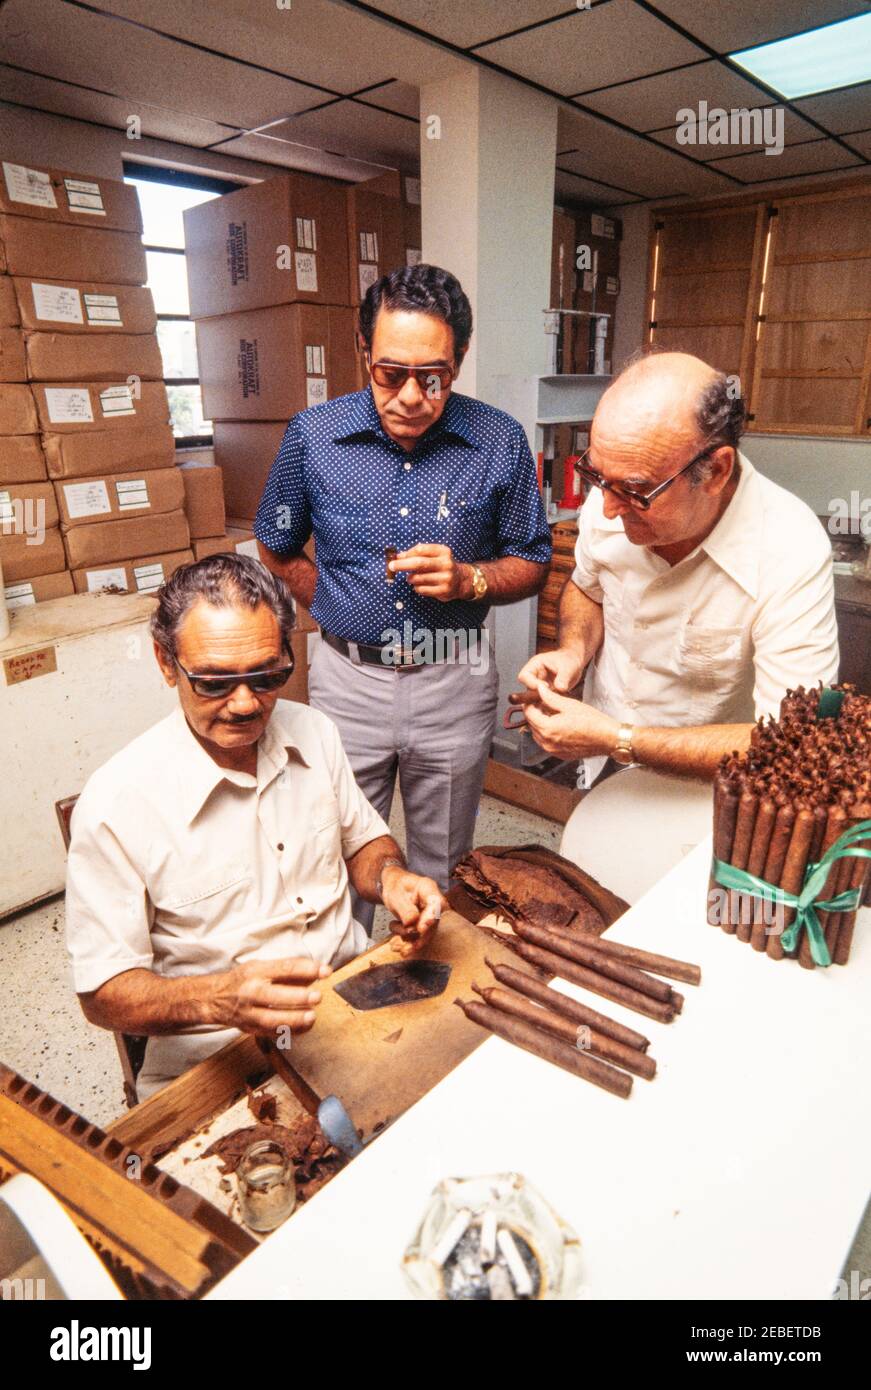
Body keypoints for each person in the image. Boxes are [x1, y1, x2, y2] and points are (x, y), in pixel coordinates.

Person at [65, 555, 443, 1100]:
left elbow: (364, 843)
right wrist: (219, 1000)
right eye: (215, 682)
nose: (246, 704)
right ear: (166, 663)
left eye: (267, 675)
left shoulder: (313, 732)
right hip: (218, 1056)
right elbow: (102, 993)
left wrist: (390, 879)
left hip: (349, 1006)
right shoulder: (117, 804)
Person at [254, 264, 552, 927]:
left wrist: (471, 579)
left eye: (433, 375)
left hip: (453, 677)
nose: (412, 395)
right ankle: (346, 993)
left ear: (460, 359)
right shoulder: (313, 437)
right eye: (390, 374)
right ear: (363, 352)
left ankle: (429, 997)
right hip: (346, 681)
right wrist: (330, 602)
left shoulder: (498, 441)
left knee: (442, 861)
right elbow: (274, 544)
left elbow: (532, 561)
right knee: (340, 857)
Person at [517, 351, 839, 783]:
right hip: (600, 765)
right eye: (598, 477)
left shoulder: (789, 549)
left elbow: (793, 741)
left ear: (716, 471)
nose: (607, 509)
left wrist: (618, 738)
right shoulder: (612, 492)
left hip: (708, 794)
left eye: (635, 491)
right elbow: (587, 588)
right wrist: (574, 651)